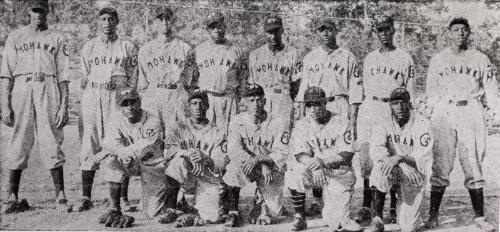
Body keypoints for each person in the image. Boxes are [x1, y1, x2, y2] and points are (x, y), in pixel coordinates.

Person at [424, 17, 497, 231]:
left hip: (471, 109)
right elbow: (431, 89)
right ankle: (433, 216)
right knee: (441, 163)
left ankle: (479, 217)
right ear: (449, 33)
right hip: (445, 109)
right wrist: (431, 112)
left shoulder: (480, 58)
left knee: (473, 161)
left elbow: (491, 86)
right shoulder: (439, 59)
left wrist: (493, 110)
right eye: (456, 30)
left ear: (469, 33)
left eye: (464, 30)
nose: (460, 34)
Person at [0, 0, 71, 213]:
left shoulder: (57, 37)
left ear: (48, 11)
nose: (38, 14)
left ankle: (60, 194)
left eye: (42, 10)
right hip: (22, 86)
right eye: (34, 10)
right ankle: (12, 195)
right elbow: (6, 74)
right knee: (19, 137)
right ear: (28, 11)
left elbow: (64, 76)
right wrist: (5, 104)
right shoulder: (16, 36)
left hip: (47, 85)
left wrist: (64, 106)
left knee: (51, 137)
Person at [296, 18, 363, 216]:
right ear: (317, 33)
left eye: (329, 30)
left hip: (339, 102)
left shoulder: (348, 56)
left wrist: (352, 121)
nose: (325, 34)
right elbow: (303, 90)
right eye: (321, 30)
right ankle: (318, 199)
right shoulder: (310, 57)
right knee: (315, 148)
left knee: (341, 154)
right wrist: (301, 118)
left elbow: (355, 91)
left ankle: (341, 198)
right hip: (315, 105)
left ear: (336, 31)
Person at [77, 3, 139, 212]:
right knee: (90, 141)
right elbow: (83, 78)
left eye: (111, 19)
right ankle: (86, 196)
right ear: (98, 22)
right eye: (103, 19)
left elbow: (134, 76)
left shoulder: (127, 46)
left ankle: (122, 197)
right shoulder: (89, 46)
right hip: (94, 94)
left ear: (117, 22)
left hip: (117, 95)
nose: (107, 23)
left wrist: (128, 98)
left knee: (119, 140)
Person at [357, 14, 415, 223]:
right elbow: (362, 87)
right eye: (379, 30)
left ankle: (392, 206)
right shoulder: (370, 58)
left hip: (392, 108)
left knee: (392, 154)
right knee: (366, 158)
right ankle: (366, 206)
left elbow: (410, 91)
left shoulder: (404, 57)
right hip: (370, 106)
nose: (383, 33)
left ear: (393, 30)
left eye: (386, 29)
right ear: (376, 32)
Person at [285, 87, 361, 232]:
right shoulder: (301, 125)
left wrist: (322, 162)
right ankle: (300, 216)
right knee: (294, 172)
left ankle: (338, 214)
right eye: (309, 105)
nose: (313, 108)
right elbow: (300, 154)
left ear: (325, 103)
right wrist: (316, 166)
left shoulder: (341, 122)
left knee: (336, 223)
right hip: (315, 172)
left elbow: (347, 154)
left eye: (317, 104)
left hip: (338, 174)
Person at [366, 88, 433, 232]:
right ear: (390, 105)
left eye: (403, 102)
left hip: (413, 172)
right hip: (394, 167)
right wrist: (400, 163)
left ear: (409, 103)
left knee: (408, 227)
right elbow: (377, 150)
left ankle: (405, 210)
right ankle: (377, 219)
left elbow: (423, 156)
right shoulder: (382, 121)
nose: (400, 107)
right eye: (395, 103)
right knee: (379, 169)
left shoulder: (422, 122)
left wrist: (400, 158)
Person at [223, 84, 290, 227]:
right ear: (245, 102)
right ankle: (233, 211)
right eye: (251, 100)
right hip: (248, 165)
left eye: (259, 100)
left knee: (275, 214)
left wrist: (261, 160)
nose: (256, 104)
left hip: (270, 169)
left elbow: (283, 152)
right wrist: (257, 161)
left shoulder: (278, 121)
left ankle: (262, 202)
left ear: (265, 101)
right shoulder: (237, 120)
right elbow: (234, 149)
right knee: (232, 169)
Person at [162, 89, 229, 227]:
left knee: (213, 217)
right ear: (188, 106)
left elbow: (220, 163)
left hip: (206, 176)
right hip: (186, 172)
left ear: (207, 106)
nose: (198, 107)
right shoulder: (178, 127)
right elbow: (167, 151)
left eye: (201, 103)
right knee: (177, 162)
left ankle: (188, 203)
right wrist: (188, 154)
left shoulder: (217, 132)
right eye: (194, 103)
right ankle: (171, 208)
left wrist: (205, 158)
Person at [247, 15, 303, 136]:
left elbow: (296, 85)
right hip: (262, 100)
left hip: (283, 100)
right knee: (260, 135)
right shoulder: (255, 55)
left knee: (283, 136)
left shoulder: (293, 53)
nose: (273, 36)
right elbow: (252, 84)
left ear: (282, 30)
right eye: (269, 32)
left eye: (276, 31)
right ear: (265, 33)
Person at [137, 7, 193, 126]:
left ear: (173, 21)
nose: (164, 22)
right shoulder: (146, 49)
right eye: (160, 19)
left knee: (177, 133)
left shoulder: (185, 48)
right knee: (153, 133)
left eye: (167, 18)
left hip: (176, 93)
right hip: (154, 93)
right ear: (155, 23)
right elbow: (142, 82)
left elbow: (190, 81)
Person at [191, 11, 246, 131]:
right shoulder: (199, 50)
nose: (216, 30)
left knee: (232, 133)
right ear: (208, 29)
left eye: (219, 26)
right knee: (208, 133)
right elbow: (192, 78)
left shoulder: (236, 50)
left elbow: (243, 78)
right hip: (208, 99)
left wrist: (240, 99)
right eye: (212, 27)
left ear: (225, 27)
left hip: (229, 98)